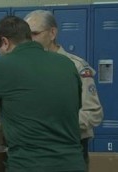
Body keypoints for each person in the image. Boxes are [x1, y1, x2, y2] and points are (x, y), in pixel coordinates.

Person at [0, 15, 86, 172]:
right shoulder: (67, 64)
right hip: (73, 163)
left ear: (5, 42)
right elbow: (74, 107)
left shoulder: (0, 66)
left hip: (28, 165)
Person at [24, 10, 103, 167]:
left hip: (70, 147)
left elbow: (93, 113)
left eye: (35, 34)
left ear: (52, 33)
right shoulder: (25, 66)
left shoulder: (76, 66)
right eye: (27, 35)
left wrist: (56, 125)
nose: (30, 40)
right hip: (36, 149)